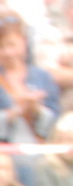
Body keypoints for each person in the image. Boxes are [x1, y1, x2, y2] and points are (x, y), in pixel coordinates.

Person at [0, 14, 59, 157]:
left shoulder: (42, 76)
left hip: (39, 150)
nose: (7, 52)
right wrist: (13, 113)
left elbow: (56, 116)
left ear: (24, 42)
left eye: (11, 45)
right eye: (1, 46)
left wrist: (37, 110)